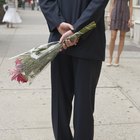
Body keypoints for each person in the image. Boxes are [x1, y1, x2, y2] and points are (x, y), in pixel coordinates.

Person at [39, 0, 109, 140]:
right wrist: (58, 23)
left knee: (83, 105)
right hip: (60, 41)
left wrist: (77, 29)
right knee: (60, 102)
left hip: (88, 42)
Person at [106, 0, 133, 66]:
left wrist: (130, 19)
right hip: (115, 13)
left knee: (122, 36)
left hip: (125, 14)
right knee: (113, 36)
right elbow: (112, 4)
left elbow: (131, 6)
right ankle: (110, 57)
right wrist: (109, 16)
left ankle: (117, 57)